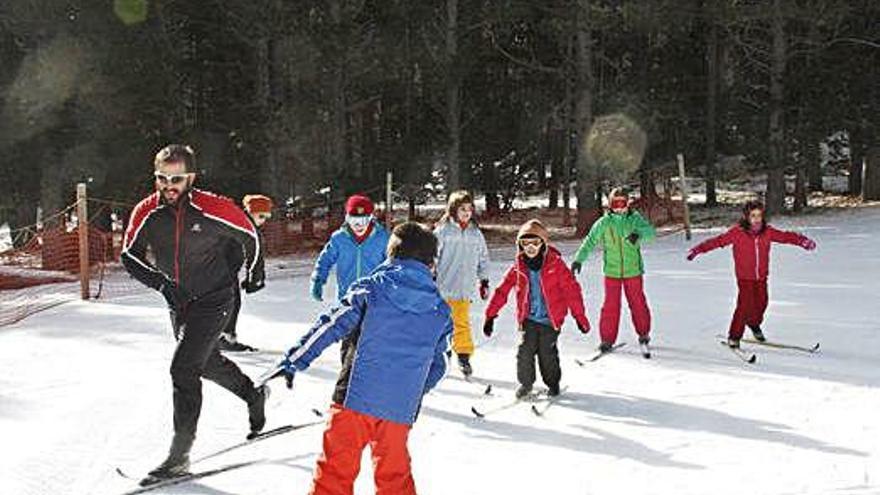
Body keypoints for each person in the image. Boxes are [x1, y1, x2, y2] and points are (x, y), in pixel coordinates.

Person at [120, 144, 268, 484]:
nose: (168, 186)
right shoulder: (147, 211)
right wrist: (162, 285)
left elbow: (249, 234)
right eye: (162, 178)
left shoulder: (211, 207)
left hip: (216, 298)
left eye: (176, 179)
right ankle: (253, 394)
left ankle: (179, 456)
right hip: (179, 301)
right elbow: (129, 255)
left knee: (183, 368)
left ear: (191, 178)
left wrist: (255, 273)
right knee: (206, 363)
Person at [278, 222, 452, 495]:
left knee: (335, 473)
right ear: (431, 263)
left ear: (391, 254)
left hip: (355, 398)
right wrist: (409, 391)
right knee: (395, 476)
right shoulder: (440, 310)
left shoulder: (372, 288)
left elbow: (331, 324)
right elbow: (439, 365)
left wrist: (294, 359)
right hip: (399, 408)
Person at [686, 200, 817, 348]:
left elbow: (785, 237)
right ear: (746, 217)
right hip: (744, 277)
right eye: (753, 215)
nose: (756, 219)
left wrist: (802, 241)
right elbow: (717, 241)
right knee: (744, 305)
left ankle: (754, 324)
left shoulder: (767, 232)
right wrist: (697, 250)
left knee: (762, 302)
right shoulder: (737, 233)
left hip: (761, 276)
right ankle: (734, 336)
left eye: (759, 215)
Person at [483, 219, 590, 398]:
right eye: (525, 243)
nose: (530, 247)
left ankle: (553, 383)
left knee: (546, 354)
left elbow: (572, 291)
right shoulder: (519, 267)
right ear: (520, 245)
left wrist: (580, 317)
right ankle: (526, 384)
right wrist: (490, 315)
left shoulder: (555, 265)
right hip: (529, 319)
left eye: (535, 242)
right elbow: (502, 290)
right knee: (524, 352)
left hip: (550, 320)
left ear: (543, 244)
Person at [571, 188, 656, 355]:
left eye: (622, 203)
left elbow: (650, 233)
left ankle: (643, 332)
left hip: (633, 271)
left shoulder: (634, 219)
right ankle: (607, 339)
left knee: (637, 303)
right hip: (612, 272)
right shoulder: (604, 223)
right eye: (615, 204)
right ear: (610, 205)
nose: (619, 207)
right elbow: (590, 241)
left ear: (628, 203)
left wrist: (638, 234)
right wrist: (578, 259)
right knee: (611, 305)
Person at [309, 194, 390, 362]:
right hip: (348, 299)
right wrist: (318, 279)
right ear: (347, 218)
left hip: (374, 299)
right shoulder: (339, 239)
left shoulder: (383, 238)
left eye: (364, 219)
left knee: (370, 340)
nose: (359, 225)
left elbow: (393, 264)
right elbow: (325, 259)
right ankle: (347, 373)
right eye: (354, 220)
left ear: (371, 218)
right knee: (348, 340)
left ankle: (370, 374)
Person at [433, 190, 490, 377]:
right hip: (443, 287)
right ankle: (437, 354)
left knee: (462, 323)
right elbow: (433, 255)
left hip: (464, 288)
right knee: (440, 323)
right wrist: (430, 274)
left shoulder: (475, 234)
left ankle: (463, 355)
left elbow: (483, 258)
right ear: (452, 210)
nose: (466, 212)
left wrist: (484, 279)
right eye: (462, 209)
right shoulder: (443, 231)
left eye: (469, 209)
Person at [218, 194, 274, 352]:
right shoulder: (246, 227)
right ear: (251, 212)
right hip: (220, 271)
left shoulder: (237, 221)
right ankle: (223, 338)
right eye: (261, 216)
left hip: (221, 270)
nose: (264, 220)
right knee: (230, 303)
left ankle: (220, 337)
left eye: (267, 217)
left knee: (227, 302)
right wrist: (254, 280)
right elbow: (255, 257)